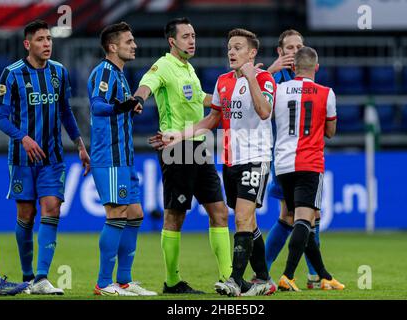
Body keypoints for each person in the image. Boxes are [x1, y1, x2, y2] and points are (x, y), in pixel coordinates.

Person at [162, 28, 276, 297]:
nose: (231, 52)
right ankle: (263, 278)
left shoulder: (265, 79)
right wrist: (179, 134)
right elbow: (211, 120)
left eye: (238, 48)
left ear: (252, 52)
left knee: (243, 217)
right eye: (229, 48)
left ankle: (235, 280)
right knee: (249, 221)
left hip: (256, 158)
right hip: (230, 161)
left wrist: (251, 79)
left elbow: (264, 112)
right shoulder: (222, 81)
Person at [133, 17, 232, 294]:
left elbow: (201, 97)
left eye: (194, 35)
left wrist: (233, 98)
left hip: (199, 146)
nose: (192, 40)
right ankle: (172, 282)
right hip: (176, 149)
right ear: (172, 41)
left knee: (220, 212)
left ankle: (228, 279)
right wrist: (139, 99)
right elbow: (147, 84)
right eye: (186, 36)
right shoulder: (164, 65)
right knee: (175, 216)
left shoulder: (188, 69)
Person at [0, 20, 90, 295]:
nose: (47, 43)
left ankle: (40, 277)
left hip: (52, 157)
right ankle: (27, 277)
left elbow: (66, 112)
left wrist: (80, 145)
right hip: (22, 159)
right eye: (40, 39)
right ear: (28, 44)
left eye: (49, 38)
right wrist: (23, 138)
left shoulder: (59, 72)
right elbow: (1, 119)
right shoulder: (11, 74)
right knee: (26, 215)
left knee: (52, 208)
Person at [88, 22, 157, 296]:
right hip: (110, 156)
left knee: (135, 214)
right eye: (129, 41)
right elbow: (96, 105)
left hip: (124, 158)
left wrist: (129, 106)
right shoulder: (104, 71)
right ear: (113, 47)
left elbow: (117, 108)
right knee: (116, 214)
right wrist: (122, 105)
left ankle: (125, 280)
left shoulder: (119, 74)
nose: (135, 45)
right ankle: (103, 283)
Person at [274, 46, 344, 291]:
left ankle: (324, 275)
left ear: (293, 68)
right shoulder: (327, 93)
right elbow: (331, 132)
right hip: (309, 163)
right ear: (316, 67)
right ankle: (288, 275)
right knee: (305, 219)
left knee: (306, 221)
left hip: (283, 164)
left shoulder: (279, 90)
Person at [263, 29, 322, 289]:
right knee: (295, 215)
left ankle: (310, 275)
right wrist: (272, 70)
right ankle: (311, 275)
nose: (296, 51)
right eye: (290, 48)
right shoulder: (271, 79)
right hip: (285, 155)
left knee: (303, 214)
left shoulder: (306, 79)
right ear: (280, 51)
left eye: (300, 46)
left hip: (305, 153)